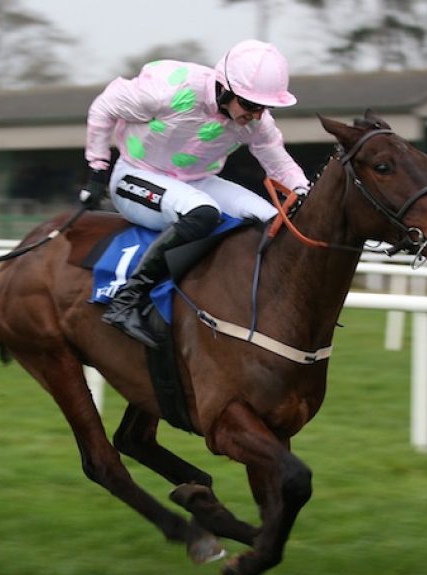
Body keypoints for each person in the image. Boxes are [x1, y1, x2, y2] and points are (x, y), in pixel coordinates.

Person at [81, 39, 310, 349]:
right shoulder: (168, 91)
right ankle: (127, 301)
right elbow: (104, 107)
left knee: (272, 221)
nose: (257, 115)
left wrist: (303, 194)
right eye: (251, 105)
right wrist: (97, 167)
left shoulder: (256, 122)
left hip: (197, 181)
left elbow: (279, 164)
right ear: (225, 89)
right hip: (135, 175)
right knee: (203, 213)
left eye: (264, 107)